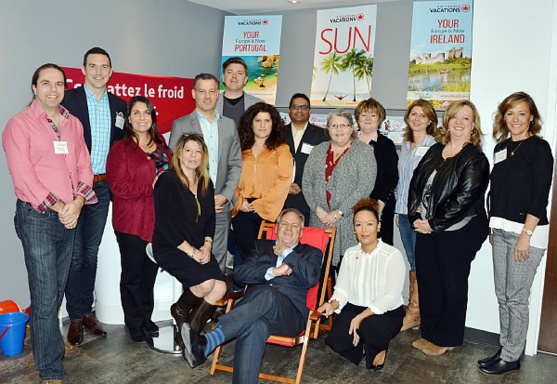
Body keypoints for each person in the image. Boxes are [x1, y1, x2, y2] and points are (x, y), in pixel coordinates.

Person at [3, 63, 97, 384]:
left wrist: (78, 202)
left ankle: (48, 351)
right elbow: (24, 177)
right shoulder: (19, 125)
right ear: (35, 88)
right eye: (46, 83)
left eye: (59, 84)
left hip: (69, 215)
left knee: (55, 292)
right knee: (45, 297)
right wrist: (61, 206)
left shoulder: (73, 124)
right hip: (38, 218)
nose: (53, 89)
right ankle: (51, 371)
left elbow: (85, 167)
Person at [180, 208, 322, 384]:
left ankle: (209, 341)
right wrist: (273, 272)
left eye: (294, 226)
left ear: (301, 232)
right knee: (256, 326)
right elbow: (240, 274)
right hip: (254, 312)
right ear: (276, 227)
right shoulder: (260, 247)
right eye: (284, 223)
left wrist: (288, 253)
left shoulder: (311, 253)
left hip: (289, 316)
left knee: (267, 293)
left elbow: (311, 278)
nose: (288, 228)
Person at [478, 92, 554, 376]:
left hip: (527, 233)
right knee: (502, 295)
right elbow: (495, 191)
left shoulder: (539, 148)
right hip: (500, 229)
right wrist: (492, 226)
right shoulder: (501, 148)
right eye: (510, 113)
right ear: (503, 117)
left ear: (531, 116)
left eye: (521, 113)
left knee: (517, 297)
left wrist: (526, 233)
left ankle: (512, 356)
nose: (516, 119)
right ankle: (506, 346)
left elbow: (540, 195)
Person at [408, 100, 489, 356]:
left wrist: (434, 224)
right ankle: (430, 334)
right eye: (454, 117)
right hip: (426, 227)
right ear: (447, 121)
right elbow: (416, 184)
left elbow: (465, 198)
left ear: (473, 125)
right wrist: (415, 217)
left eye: (466, 118)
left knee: (451, 285)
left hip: (459, 232)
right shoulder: (435, 151)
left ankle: (448, 338)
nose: (459, 123)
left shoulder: (475, 157)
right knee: (429, 281)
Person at [62, 47, 127, 345]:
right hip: (73, 189)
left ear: (111, 71)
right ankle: (75, 316)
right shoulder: (69, 100)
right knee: (74, 255)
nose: (99, 71)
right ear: (83, 69)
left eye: (104, 66)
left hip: (102, 188)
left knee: (90, 252)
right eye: (93, 66)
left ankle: (86, 311)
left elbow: (123, 147)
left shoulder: (119, 105)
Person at [153, 133, 227, 356]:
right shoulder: (167, 180)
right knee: (205, 284)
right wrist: (192, 252)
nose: (193, 156)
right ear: (179, 153)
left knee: (221, 288)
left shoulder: (205, 181)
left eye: (197, 151)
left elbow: (210, 219)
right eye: (188, 150)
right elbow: (164, 224)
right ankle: (179, 310)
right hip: (170, 246)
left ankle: (190, 335)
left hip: (198, 246)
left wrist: (207, 245)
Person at [106, 96, 172, 342]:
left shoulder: (161, 145)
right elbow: (118, 188)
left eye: (147, 113)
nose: (142, 117)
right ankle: (133, 322)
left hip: (158, 223)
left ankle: (147, 317)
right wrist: (152, 188)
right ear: (128, 118)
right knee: (132, 275)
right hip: (131, 223)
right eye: (136, 113)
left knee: (150, 274)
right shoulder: (120, 149)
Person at [319, 199, 406, 370]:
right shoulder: (350, 254)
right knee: (335, 340)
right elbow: (342, 290)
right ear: (354, 229)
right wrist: (332, 304)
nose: (364, 229)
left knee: (371, 327)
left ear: (379, 226)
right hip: (355, 307)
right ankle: (363, 344)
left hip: (385, 312)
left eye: (369, 224)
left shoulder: (392, 255)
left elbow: (391, 297)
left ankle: (378, 346)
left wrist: (360, 318)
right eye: (358, 225)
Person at [169, 73, 242, 273]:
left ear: (218, 94)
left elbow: (236, 164)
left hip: (219, 205)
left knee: (217, 256)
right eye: (202, 91)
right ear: (193, 93)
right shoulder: (181, 125)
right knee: (192, 257)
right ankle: (192, 302)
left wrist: (225, 196)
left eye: (212, 91)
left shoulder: (228, 126)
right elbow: (174, 166)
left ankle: (212, 303)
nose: (207, 96)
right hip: (190, 206)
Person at [303, 108, 377, 268]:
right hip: (320, 220)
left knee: (347, 271)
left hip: (348, 221)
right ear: (327, 128)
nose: (339, 130)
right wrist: (318, 210)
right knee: (321, 273)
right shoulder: (318, 151)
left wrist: (339, 212)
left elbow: (365, 187)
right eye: (334, 126)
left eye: (343, 125)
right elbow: (307, 183)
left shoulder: (363, 152)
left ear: (351, 128)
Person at [231, 102, 293, 262]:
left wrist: (262, 203)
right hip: (243, 208)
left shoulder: (282, 149)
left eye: (267, 121)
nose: (263, 125)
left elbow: (285, 179)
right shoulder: (239, 148)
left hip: (271, 209)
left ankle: (266, 285)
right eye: (258, 120)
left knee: (269, 254)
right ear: (251, 123)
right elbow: (232, 174)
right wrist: (239, 199)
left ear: (274, 124)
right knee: (248, 254)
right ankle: (253, 285)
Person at [395, 99, 438, 331]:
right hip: (403, 212)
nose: (417, 119)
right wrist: (400, 209)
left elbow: (432, 183)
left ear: (430, 120)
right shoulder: (405, 145)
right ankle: (416, 310)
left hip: (419, 215)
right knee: (413, 261)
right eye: (413, 114)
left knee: (421, 262)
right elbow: (403, 181)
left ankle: (415, 311)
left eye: (423, 115)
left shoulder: (434, 147)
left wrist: (423, 210)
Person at [355, 98, 398, 245]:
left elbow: (391, 177)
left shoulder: (387, 145)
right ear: (357, 118)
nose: (368, 119)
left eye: (373, 115)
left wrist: (379, 205)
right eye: (364, 114)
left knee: (380, 249)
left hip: (380, 205)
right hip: (350, 205)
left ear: (379, 119)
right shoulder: (348, 142)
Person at [283, 93, 327, 225]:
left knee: (306, 240)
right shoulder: (277, 133)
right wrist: (285, 186)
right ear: (289, 110)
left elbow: (323, 167)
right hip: (280, 198)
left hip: (308, 198)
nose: (299, 110)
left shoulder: (322, 135)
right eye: (296, 106)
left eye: (304, 107)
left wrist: (302, 185)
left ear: (309, 111)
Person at [216, 57, 264, 129]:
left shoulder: (259, 105)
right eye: (230, 72)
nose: (234, 76)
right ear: (223, 78)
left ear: (245, 80)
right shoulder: (212, 103)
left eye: (239, 73)